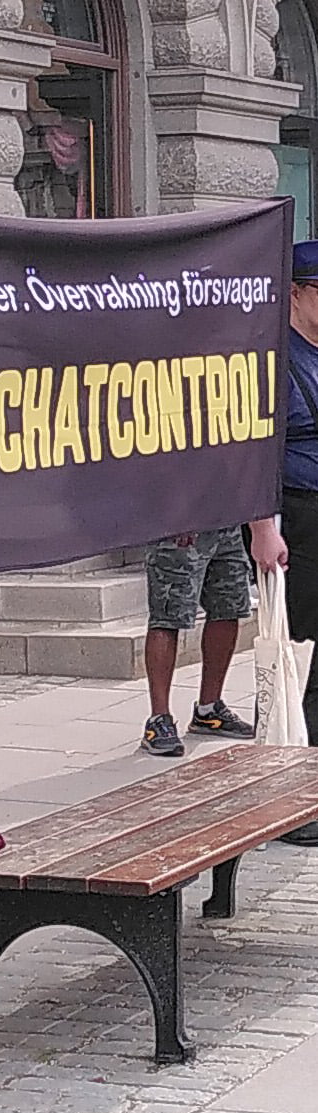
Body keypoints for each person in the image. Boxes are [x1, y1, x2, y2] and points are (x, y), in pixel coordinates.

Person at [247, 238, 318, 843]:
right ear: (295, 293)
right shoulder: (275, 360)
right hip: (295, 518)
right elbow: (253, 453)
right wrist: (263, 528)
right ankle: (283, 786)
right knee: (290, 653)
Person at [140, 525, 256, 754]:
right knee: (167, 616)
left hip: (227, 524)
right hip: (179, 525)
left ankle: (208, 710)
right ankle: (158, 720)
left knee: (228, 608)